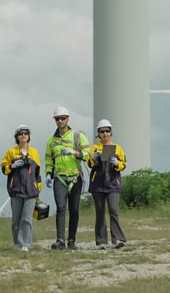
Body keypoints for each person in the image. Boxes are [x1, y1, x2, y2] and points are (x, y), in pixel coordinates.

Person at [44, 106, 90, 250]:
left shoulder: (78, 136)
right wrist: (48, 173)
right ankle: (60, 241)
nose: (60, 121)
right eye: (57, 119)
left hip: (75, 178)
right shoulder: (51, 141)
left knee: (74, 210)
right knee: (61, 208)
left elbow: (87, 154)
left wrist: (74, 152)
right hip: (59, 178)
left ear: (68, 119)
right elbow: (48, 159)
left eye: (62, 118)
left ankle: (71, 241)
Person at [0, 124, 42, 252]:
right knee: (16, 219)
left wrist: (38, 189)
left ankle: (26, 244)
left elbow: (37, 173)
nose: (23, 136)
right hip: (16, 190)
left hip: (31, 191)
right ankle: (17, 244)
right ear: (17, 137)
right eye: (20, 134)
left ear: (29, 136)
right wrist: (12, 166)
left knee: (27, 218)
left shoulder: (34, 152)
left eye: (25, 133)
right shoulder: (11, 152)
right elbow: (4, 169)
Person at [88, 119, 127, 249]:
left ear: (111, 133)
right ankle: (101, 242)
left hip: (113, 184)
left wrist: (117, 163)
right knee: (100, 213)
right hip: (97, 184)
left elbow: (124, 164)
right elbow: (89, 164)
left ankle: (118, 239)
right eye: (102, 131)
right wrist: (94, 158)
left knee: (114, 211)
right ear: (98, 134)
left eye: (107, 131)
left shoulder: (118, 148)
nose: (105, 133)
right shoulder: (94, 148)